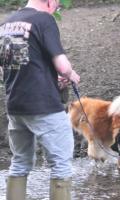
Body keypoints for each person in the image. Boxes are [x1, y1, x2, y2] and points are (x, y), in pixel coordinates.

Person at [0, 0, 80, 199]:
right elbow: (62, 66)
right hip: (44, 105)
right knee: (61, 164)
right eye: (57, 6)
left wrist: (52, 78)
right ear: (50, 1)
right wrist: (70, 74)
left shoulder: (6, 24)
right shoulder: (44, 20)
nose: (55, 9)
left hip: (15, 106)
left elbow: (7, 69)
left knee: (19, 163)